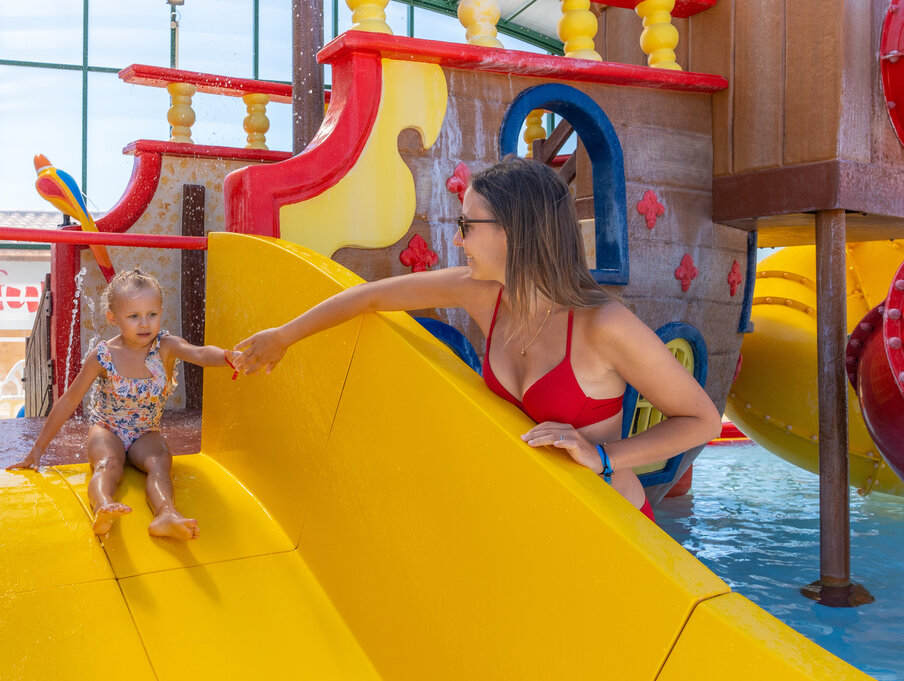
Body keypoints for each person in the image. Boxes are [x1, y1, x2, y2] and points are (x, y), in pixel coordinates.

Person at [231, 156, 720, 521]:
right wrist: (285, 336)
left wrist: (604, 456)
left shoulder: (603, 325)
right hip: (542, 523)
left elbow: (701, 420)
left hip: (617, 527)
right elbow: (369, 298)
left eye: (467, 225)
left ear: (516, 230)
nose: (457, 239)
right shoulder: (484, 294)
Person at [8, 268, 240, 539]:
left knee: (161, 461)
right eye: (134, 316)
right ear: (113, 318)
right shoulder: (104, 356)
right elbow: (70, 399)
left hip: (146, 432)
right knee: (109, 464)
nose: (145, 324)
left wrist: (227, 356)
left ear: (160, 312)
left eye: (152, 314)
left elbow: (199, 353)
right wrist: (38, 449)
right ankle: (103, 506)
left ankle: (166, 514)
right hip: (107, 429)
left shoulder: (165, 346)